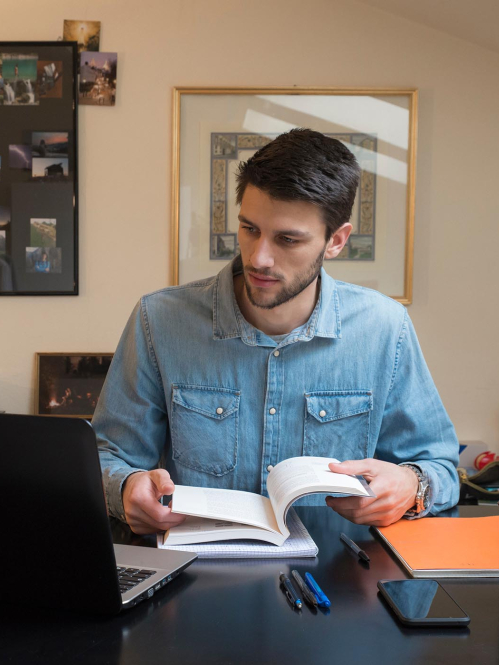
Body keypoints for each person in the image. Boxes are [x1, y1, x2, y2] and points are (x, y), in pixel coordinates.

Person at [94, 128, 459, 535]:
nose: (259, 257)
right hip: (197, 580)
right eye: (250, 229)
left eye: (287, 239)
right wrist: (124, 488)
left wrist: (412, 484)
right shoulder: (159, 320)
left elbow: (440, 466)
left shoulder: (385, 328)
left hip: (340, 583)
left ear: (336, 240)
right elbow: (106, 455)